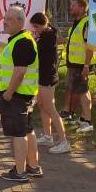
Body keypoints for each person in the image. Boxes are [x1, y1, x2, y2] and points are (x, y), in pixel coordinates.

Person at [0, 6, 42, 182]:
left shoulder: (22, 42)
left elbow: (20, 71)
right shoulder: (20, 40)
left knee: (18, 134)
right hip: (24, 94)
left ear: (20, 21)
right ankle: (32, 166)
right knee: (27, 130)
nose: (5, 22)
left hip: (17, 95)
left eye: (9, 19)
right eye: (5, 18)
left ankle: (20, 172)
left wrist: (8, 93)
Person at [31, 12, 71, 155]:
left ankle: (64, 141)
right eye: (33, 27)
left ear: (44, 24)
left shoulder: (48, 36)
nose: (35, 29)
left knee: (50, 107)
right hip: (42, 75)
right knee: (42, 105)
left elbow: (36, 52)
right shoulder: (46, 33)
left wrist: (34, 40)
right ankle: (48, 136)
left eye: (36, 27)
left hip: (48, 76)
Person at [61, 0, 95, 133]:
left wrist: (86, 66)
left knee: (82, 92)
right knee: (82, 91)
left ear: (82, 8)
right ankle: (83, 118)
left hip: (81, 64)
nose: (71, 8)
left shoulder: (86, 23)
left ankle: (87, 121)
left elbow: (89, 46)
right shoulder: (77, 23)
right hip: (75, 63)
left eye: (73, 6)